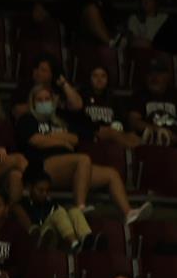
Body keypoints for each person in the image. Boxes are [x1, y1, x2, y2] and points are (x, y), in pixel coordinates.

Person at [14, 83, 146, 225]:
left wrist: (52, 137)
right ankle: (80, 207)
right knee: (83, 159)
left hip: (70, 168)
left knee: (111, 174)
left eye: (47, 99)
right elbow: (36, 140)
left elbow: (75, 139)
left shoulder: (61, 119)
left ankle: (128, 212)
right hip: (44, 166)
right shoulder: (27, 120)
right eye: (40, 100)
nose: (44, 102)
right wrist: (63, 141)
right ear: (33, 103)